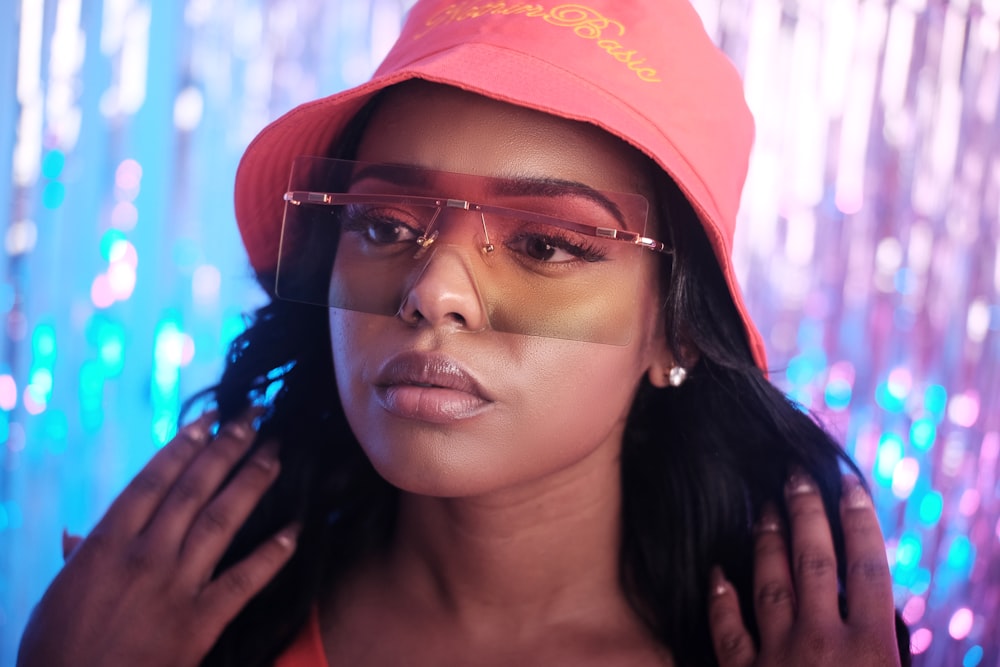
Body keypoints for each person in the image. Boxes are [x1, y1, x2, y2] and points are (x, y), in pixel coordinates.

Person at [18, 1, 911, 665]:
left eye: (546, 243)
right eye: (382, 227)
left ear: (673, 332)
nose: (431, 290)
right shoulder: (161, 640)